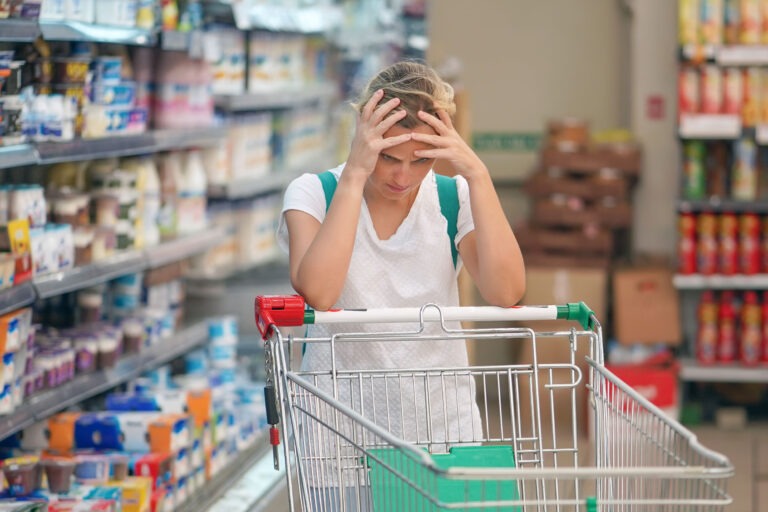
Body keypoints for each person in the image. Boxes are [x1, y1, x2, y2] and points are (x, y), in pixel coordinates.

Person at [276, 60, 525, 511]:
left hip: (443, 429)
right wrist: (354, 173)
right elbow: (320, 293)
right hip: (340, 436)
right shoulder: (314, 193)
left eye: (422, 160)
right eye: (388, 157)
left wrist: (478, 175)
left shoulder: (453, 198)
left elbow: (506, 292)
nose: (403, 177)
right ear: (363, 134)